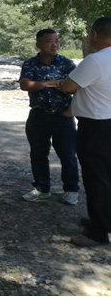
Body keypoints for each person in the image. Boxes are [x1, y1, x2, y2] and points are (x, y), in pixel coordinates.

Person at [58, 17, 111, 247]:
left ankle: (97, 233)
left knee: (96, 178)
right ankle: (105, 221)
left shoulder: (96, 60)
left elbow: (69, 86)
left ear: (95, 35)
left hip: (96, 126)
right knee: (107, 175)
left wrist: (61, 83)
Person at [19, 29, 79, 205]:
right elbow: (25, 84)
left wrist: (69, 110)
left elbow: (77, 88)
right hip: (38, 116)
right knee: (38, 154)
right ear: (38, 44)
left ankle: (71, 190)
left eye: (56, 41)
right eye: (49, 41)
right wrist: (51, 83)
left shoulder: (66, 64)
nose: (54, 45)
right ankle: (42, 189)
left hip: (63, 116)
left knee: (68, 155)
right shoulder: (30, 63)